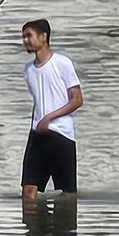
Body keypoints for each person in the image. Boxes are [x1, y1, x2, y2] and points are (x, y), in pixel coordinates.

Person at [20, 19, 82, 201]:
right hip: (37, 135)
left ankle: (62, 227)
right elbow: (39, 101)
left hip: (61, 135)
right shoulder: (28, 70)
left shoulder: (62, 63)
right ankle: (34, 228)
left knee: (67, 193)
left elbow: (77, 100)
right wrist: (35, 124)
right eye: (23, 36)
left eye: (29, 36)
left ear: (43, 37)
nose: (25, 40)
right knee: (28, 191)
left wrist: (49, 117)